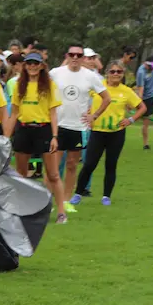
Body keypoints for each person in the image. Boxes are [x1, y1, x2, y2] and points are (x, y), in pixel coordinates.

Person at [6, 52, 67, 224]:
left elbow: (53, 113)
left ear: (41, 66)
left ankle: (61, 212)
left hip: (43, 130)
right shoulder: (19, 85)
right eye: (29, 63)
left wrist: (54, 136)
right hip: (24, 129)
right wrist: (6, 136)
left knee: (53, 174)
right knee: (21, 174)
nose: (32, 66)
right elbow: (14, 113)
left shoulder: (49, 85)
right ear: (25, 65)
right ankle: (22, 210)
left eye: (35, 63)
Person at [73, 61, 146, 206]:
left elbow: (142, 107)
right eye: (112, 71)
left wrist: (130, 120)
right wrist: (87, 112)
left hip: (116, 133)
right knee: (89, 164)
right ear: (107, 73)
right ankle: (78, 194)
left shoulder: (126, 91)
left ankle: (106, 196)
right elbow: (83, 96)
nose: (115, 74)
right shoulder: (98, 86)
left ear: (123, 74)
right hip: (97, 132)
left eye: (119, 72)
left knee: (111, 165)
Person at [50, 44, 110, 208]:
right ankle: (50, 201)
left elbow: (107, 98)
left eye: (79, 55)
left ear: (83, 58)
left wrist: (94, 116)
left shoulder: (91, 76)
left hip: (78, 127)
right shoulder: (56, 73)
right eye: (72, 54)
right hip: (58, 126)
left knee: (72, 164)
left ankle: (66, 201)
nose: (75, 58)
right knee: (54, 167)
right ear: (67, 56)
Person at [136, 56, 153, 149]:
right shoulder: (141, 72)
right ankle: (145, 144)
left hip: (152, 96)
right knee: (145, 121)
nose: (151, 67)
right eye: (149, 65)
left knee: (147, 120)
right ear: (145, 63)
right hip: (145, 98)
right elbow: (140, 88)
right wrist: (139, 102)